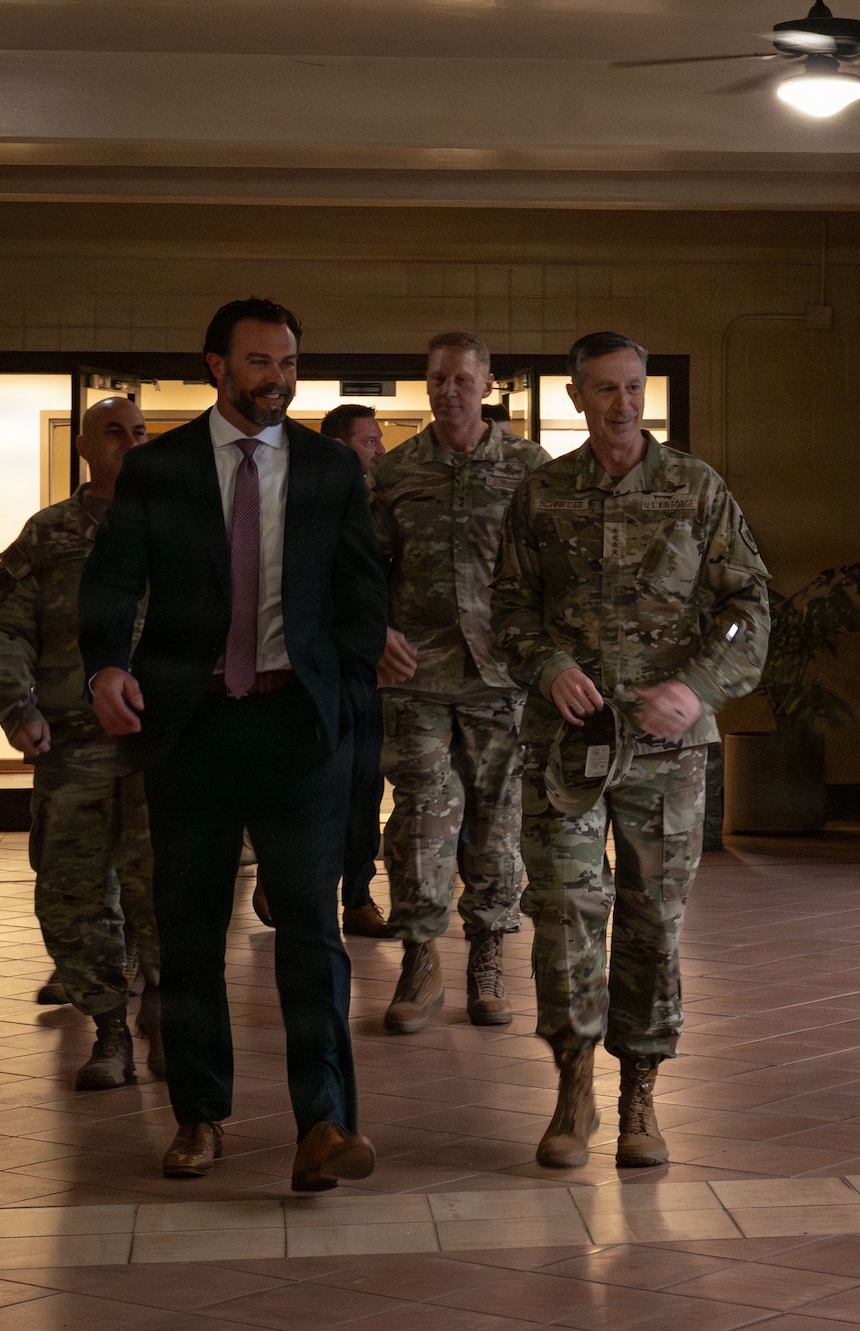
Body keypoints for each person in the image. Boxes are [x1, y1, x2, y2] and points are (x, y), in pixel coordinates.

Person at [79, 298, 388, 1191]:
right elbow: (111, 582)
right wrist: (106, 667)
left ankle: (324, 1123)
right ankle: (199, 1116)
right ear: (215, 365)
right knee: (190, 934)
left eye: (287, 363)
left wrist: (348, 688)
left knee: (312, 930)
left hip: (299, 728)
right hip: (193, 727)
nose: (276, 379)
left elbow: (363, 596)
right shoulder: (162, 468)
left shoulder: (331, 469)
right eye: (258, 362)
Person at [491, 331, 769, 1171]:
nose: (622, 404)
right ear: (577, 398)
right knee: (566, 916)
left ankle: (641, 1093)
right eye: (605, 390)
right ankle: (573, 1087)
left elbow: (749, 605)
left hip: (666, 751)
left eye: (634, 387)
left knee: (652, 919)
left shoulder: (694, 488)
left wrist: (701, 687)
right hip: (568, 749)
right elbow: (507, 611)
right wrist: (548, 666)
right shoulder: (541, 496)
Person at [371, 333, 548, 1033]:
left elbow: (549, 571)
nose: (450, 391)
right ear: (426, 385)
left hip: (502, 675)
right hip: (417, 672)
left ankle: (488, 955)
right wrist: (372, 636)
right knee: (421, 814)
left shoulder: (529, 469)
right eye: (438, 379)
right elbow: (366, 568)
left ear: (487, 383)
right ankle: (420, 957)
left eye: (462, 379)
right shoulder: (394, 473)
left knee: (497, 816)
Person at [0, 396, 164, 1090]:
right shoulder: (48, 534)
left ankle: (169, 1019)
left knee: (165, 892)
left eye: (141, 433)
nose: (130, 442)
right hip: (72, 743)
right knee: (74, 893)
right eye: (115, 432)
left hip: (160, 743)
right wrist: (18, 708)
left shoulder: (172, 527)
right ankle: (109, 1030)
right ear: (85, 446)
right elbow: (8, 628)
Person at [253, 401, 393, 939]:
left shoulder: (385, 501)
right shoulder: (302, 501)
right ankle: (275, 879)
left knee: (364, 790)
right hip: (309, 673)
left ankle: (356, 897)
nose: (379, 451)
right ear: (339, 447)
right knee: (299, 787)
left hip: (366, 675)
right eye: (369, 442)